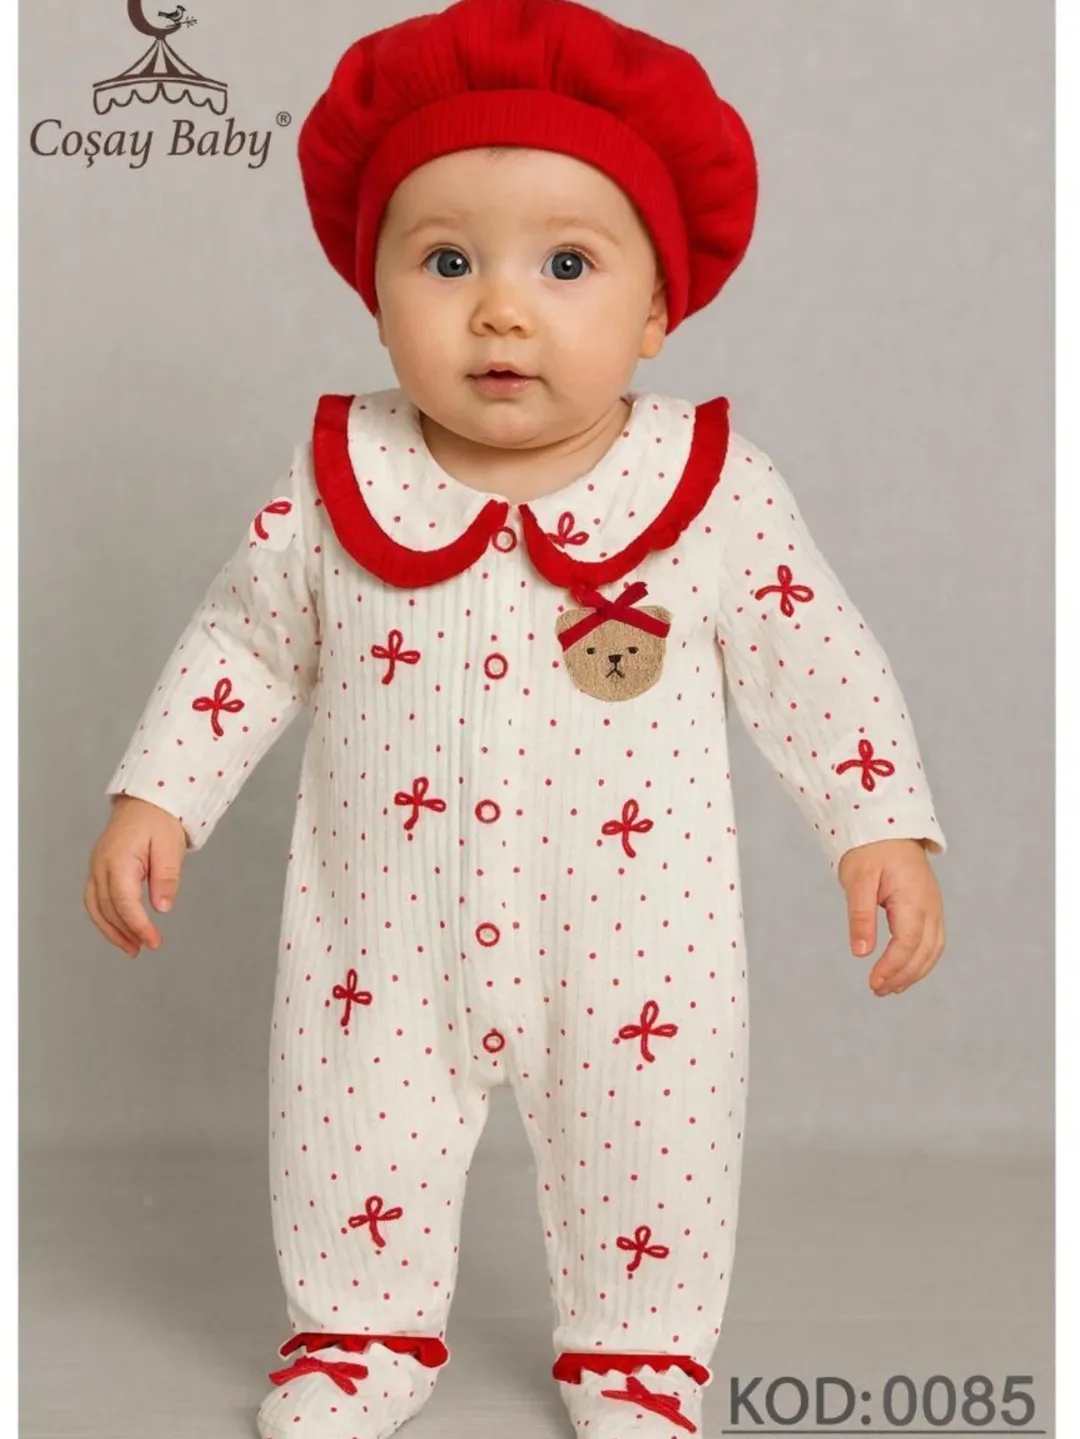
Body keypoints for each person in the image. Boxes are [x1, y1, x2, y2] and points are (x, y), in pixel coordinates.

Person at [83, 1, 948, 1434]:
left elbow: (817, 657)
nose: (500, 308)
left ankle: (638, 1349)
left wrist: (879, 826)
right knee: (354, 1112)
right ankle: (359, 1329)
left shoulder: (711, 486)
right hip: (381, 923)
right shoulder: (342, 472)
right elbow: (244, 640)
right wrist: (158, 794)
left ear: (658, 309)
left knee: (651, 1132)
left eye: (566, 264)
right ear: (375, 294)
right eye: (445, 261)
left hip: (636, 930)